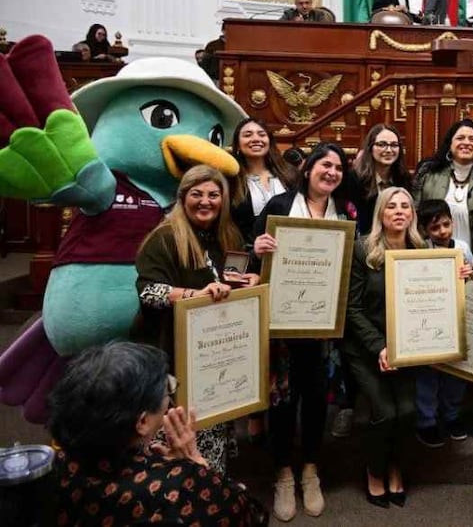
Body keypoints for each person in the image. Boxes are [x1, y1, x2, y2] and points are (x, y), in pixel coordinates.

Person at [342, 187, 471, 508]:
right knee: (385, 413)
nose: (399, 211)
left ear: (412, 215)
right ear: (381, 215)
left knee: (409, 411)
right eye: (391, 207)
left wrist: (459, 278)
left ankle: (397, 467)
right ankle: (375, 471)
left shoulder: (420, 248)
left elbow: (436, 295)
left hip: (410, 347)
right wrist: (380, 348)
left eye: (405, 206)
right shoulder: (362, 250)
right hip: (367, 349)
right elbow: (352, 309)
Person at [48, 342, 267, 526]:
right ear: (142, 421)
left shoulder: (50, 469)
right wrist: (196, 463)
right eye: (168, 390)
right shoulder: (184, 486)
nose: (170, 399)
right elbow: (252, 516)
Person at [134, 165, 258, 473]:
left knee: (212, 425)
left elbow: (231, 281)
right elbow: (148, 292)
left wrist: (250, 281)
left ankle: (209, 489)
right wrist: (195, 295)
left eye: (214, 195)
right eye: (197, 194)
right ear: (182, 197)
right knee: (176, 437)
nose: (206, 201)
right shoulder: (163, 237)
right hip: (171, 353)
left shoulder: (227, 235)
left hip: (215, 351)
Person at [252, 143, 351, 521]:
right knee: (281, 400)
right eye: (325, 164)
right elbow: (251, 257)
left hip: (324, 325)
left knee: (314, 399)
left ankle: (310, 469)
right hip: (282, 323)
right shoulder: (278, 207)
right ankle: (282, 473)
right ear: (308, 169)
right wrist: (257, 248)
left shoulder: (346, 211)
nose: (332, 172)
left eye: (338, 167)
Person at [413, 198, 473, 447]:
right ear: (426, 230)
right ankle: (426, 421)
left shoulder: (462, 247)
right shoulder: (419, 249)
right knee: (427, 373)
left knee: (455, 373)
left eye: (446, 225)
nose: (442, 232)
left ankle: (451, 416)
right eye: (435, 228)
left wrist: (470, 275)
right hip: (430, 318)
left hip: (457, 318)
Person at [413, 118, 473, 273]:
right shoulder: (427, 173)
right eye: (460, 138)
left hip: (467, 260)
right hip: (427, 257)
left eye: (472, 139)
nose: (466, 142)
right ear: (450, 144)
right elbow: (414, 214)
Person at [230, 117, 298, 247]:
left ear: (269, 141)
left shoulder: (291, 175)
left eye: (262, 135)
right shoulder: (231, 179)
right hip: (246, 251)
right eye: (247, 135)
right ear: (238, 144)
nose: (256, 139)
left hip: (289, 249)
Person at [345, 123, 412, 235]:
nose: (389, 150)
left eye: (394, 145)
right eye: (382, 144)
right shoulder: (354, 180)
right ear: (370, 148)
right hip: (364, 245)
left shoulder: (404, 179)